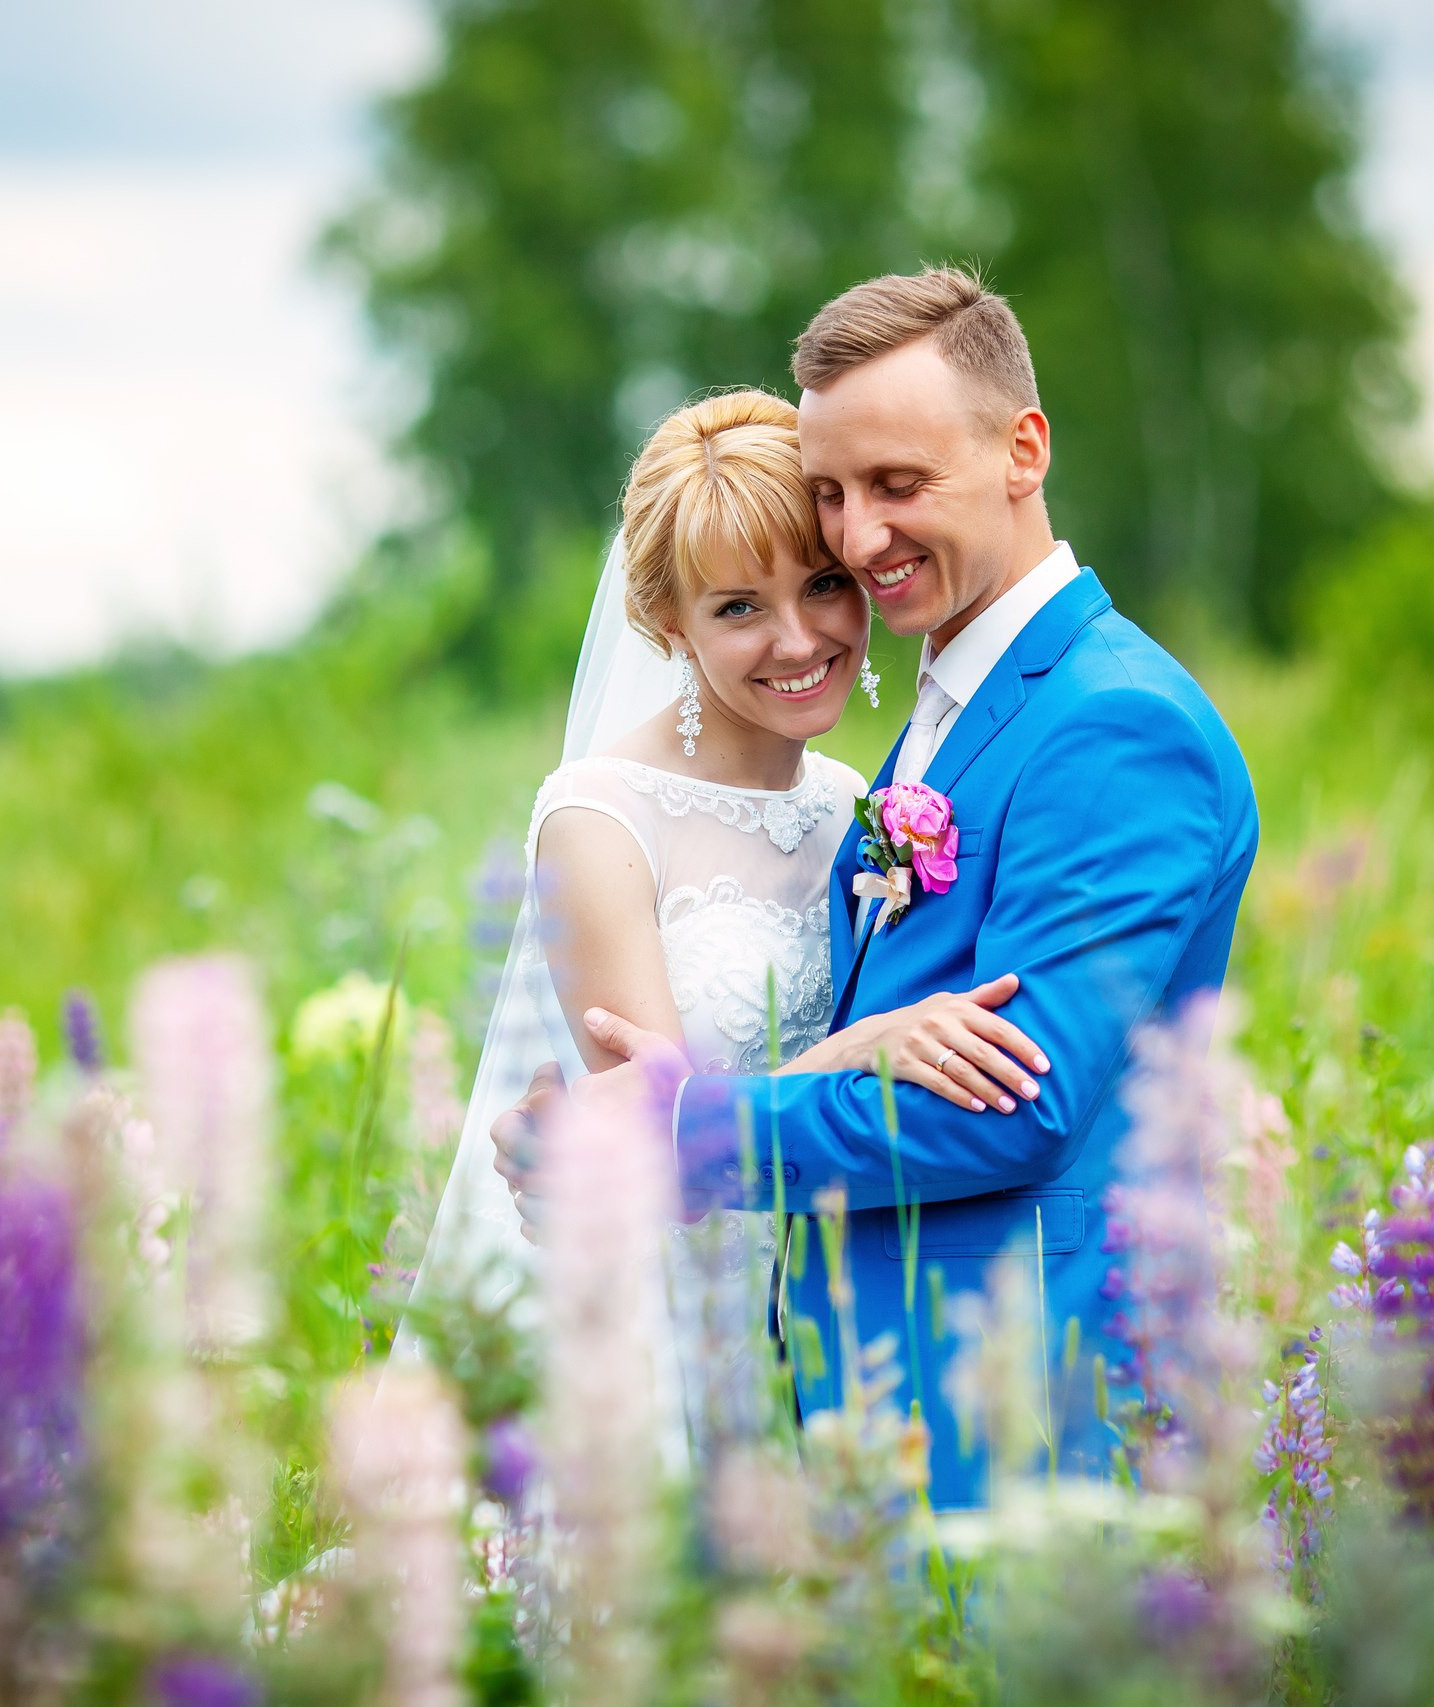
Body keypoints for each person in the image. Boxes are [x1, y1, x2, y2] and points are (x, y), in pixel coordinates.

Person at [515, 269, 1261, 1509]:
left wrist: (670, 1128)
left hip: (1021, 1391)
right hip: (851, 1387)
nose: (858, 542)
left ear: (1023, 449)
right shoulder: (941, 714)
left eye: (898, 487)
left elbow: (1012, 1108)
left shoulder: (1114, 722)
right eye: (832, 495)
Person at [410, 384, 1045, 1464]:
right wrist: (859, 1052)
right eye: (738, 607)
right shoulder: (598, 820)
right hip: (668, 1323)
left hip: (836, 1317)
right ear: (669, 623)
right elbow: (651, 1149)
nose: (798, 639)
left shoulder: (858, 799)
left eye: (824, 585)